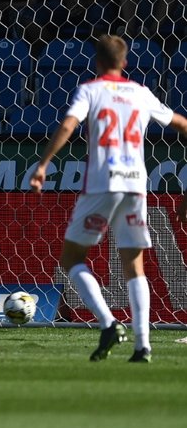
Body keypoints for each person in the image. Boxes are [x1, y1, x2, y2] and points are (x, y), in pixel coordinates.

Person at [29, 34, 187, 363]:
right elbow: (182, 124)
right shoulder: (141, 93)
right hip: (136, 185)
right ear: (125, 61)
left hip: (102, 184)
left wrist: (43, 164)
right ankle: (143, 345)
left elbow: (69, 125)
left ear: (97, 62)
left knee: (71, 258)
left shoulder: (90, 90)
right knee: (134, 265)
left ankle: (109, 323)